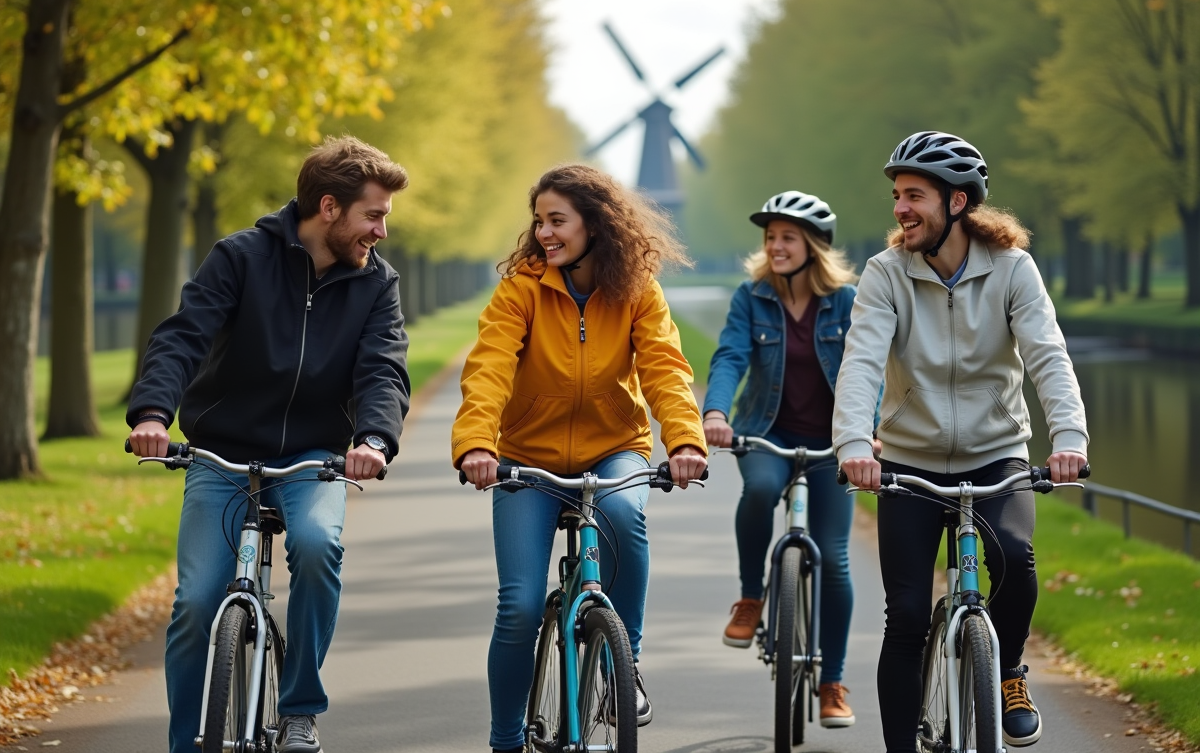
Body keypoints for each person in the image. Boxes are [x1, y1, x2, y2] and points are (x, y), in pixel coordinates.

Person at [126, 135, 412, 753]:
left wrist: (373, 438)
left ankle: (300, 709)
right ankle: (185, 742)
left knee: (315, 545)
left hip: (315, 458)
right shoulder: (240, 257)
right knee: (196, 603)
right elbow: (184, 336)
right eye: (375, 214)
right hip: (222, 455)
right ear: (329, 207)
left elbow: (382, 369)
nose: (382, 231)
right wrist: (153, 413)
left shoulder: (376, 285)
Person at [834, 131, 1089, 751]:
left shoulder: (1012, 269)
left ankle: (1005, 672)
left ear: (956, 202)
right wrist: (854, 446)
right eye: (897, 195)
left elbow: (1047, 355)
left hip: (995, 453)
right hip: (909, 464)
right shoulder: (886, 273)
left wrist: (1069, 437)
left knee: (1014, 559)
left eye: (914, 195)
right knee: (908, 621)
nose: (900, 208)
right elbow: (862, 359)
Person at [452, 163, 708, 753]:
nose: (544, 232)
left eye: (557, 220)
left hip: (613, 449)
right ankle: (505, 740)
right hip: (527, 458)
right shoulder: (522, 287)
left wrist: (685, 440)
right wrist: (476, 444)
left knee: (624, 515)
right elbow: (490, 366)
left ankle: (626, 664)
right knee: (517, 605)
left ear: (596, 223)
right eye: (539, 220)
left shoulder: (638, 289)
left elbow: (666, 369)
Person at [703, 190, 868, 728]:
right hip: (766, 432)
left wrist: (867, 434)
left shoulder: (847, 301)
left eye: (787, 237)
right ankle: (752, 598)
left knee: (836, 559)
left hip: (833, 445)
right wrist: (716, 414)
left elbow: (873, 369)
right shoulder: (751, 297)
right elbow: (730, 356)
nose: (775, 246)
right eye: (770, 237)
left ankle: (832, 682)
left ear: (814, 246)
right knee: (756, 490)